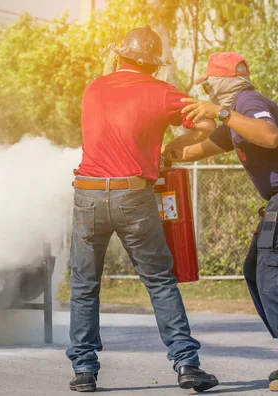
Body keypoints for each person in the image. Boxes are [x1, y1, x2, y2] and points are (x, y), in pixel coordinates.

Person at [67, 25, 219, 393]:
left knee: (84, 285)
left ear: (120, 55)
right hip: (133, 195)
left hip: (86, 194)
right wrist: (172, 146)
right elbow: (207, 123)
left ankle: (84, 371)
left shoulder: (94, 88)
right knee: (159, 281)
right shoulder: (162, 92)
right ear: (155, 65)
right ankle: (186, 364)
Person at [164, 51, 278, 392]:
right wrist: (164, 152)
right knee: (254, 270)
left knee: (270, 277)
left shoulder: (248, 101)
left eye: (209, 83)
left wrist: (221, 112)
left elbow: (271, 136)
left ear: (225, 79)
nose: (208, 91)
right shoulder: (235, 119)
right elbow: (197, 150)